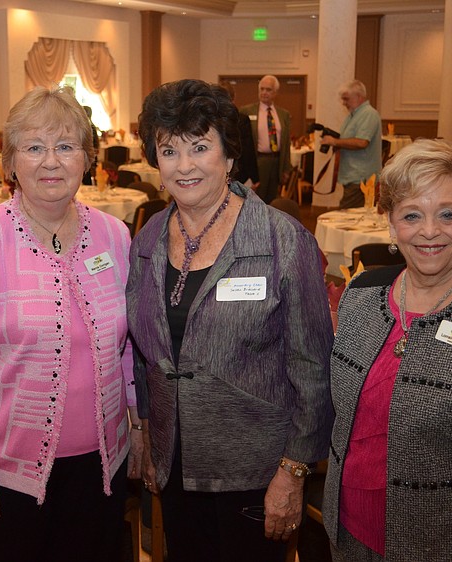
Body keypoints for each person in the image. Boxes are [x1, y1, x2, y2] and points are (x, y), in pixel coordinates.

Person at [0, 85, 142, 562]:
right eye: (34, 147)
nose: (52, 161)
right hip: (4, 473)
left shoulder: (114, 235)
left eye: (66, 146)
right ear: (8, 164)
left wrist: (137, 429)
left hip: (101, 469)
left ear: (87, 159)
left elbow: (129, 347)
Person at [128, 79, 333, 562]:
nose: (185, 165)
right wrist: (149, 436)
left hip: (256, 471)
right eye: (169, 150)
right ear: (155, 162)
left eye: (200, 147)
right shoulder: (149, 238)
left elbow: (313, 369)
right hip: (176, 462)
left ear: (229, 155)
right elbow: (143, 354)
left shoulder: (282, 240)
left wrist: (294, 470)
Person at [324, 139, 452, 562]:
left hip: (440, 541)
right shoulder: (361, 295)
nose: (429, 231)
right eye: (412, 215)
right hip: (346, 529)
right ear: (391, 224)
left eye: (448, 215)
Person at [321, 79, 382, 209]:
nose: (344, 103)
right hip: (354, 176)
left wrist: (335, 141)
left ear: (359, 97)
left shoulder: (368, 114)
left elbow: (362, 142)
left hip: (362, 178)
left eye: (346, 99)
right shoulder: (354, 115)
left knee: (347, 216)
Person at [239, 75, 292, 203]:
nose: (264, 93)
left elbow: (286, 143)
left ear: (275, 92)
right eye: (261, 89)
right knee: (256, 201)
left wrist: (286, 168)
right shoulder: (246, 111)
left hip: (276, 161)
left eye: (268, 90)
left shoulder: (283, 114)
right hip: (257, 162)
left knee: (273, 201)